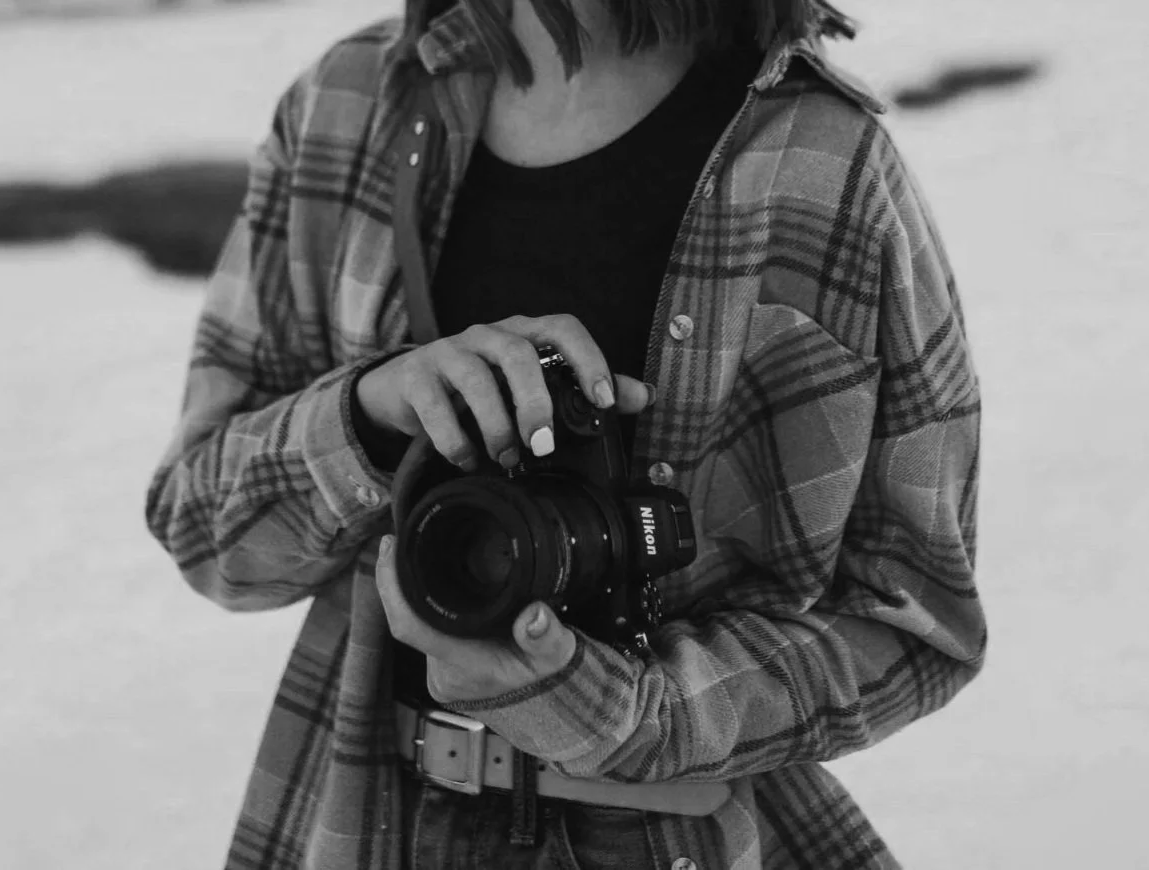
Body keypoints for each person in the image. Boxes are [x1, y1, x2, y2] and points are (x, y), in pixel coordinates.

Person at [145, 0, 987, 866]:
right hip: (366, 818)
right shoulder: (351, 104)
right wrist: (370, 417)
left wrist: (617, 709)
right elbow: (205, 532)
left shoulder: (822, 163)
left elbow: (917, 621)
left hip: (672, 837)